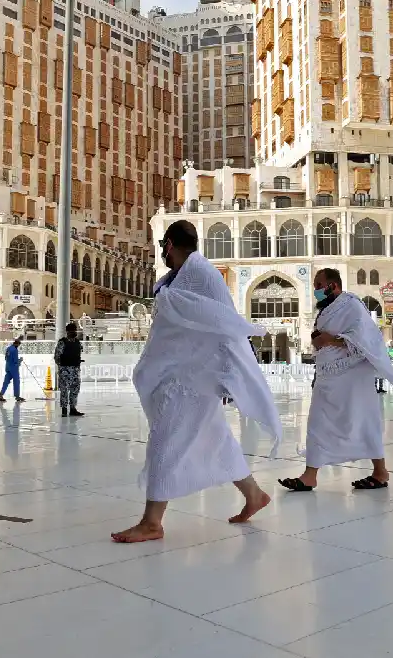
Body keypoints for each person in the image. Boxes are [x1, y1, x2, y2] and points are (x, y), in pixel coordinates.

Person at [112, 220, 279, 543]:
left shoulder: (203, 274)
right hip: (177, 373)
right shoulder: (175, 278)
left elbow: (225, 325)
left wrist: (229, 375)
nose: (161, 251)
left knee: (165, 439)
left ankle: (152, 522)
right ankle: (254, 495)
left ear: (170, 244)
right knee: (216, 438)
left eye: (162, 245)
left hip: (193, 378)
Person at [279, 268, 393, 492]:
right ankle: (310, 475)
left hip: (353, 376)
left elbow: (367, 339)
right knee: (318, 422)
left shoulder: (352, 306)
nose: (316, 290)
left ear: (333, 285)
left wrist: (331, 340)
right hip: (329, 376)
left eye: (320, 285)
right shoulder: (328, 309)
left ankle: (380, 471)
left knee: (364, 421)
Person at [54, 322, 84, 416]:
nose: (74, 332)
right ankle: (64, 409)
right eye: (72, 331)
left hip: (75, 370)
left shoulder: (77, 342)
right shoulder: (62, 342)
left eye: (75, 330)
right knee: (64, 390)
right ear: (67, 332)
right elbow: (56, 356)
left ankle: (72, 408)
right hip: (65, 370)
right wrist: (62, 366)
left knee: (75, 389)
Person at [0, 336, 26, 402]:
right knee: (16, 382)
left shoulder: (8, 348)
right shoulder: (15, 350)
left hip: (8, 368)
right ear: (17, 344)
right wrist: (20, 360)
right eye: (19, 345)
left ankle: (1, 394)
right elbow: (16, 361)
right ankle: (17, 396)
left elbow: (6, 358)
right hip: (14, 369)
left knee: (6, 382)